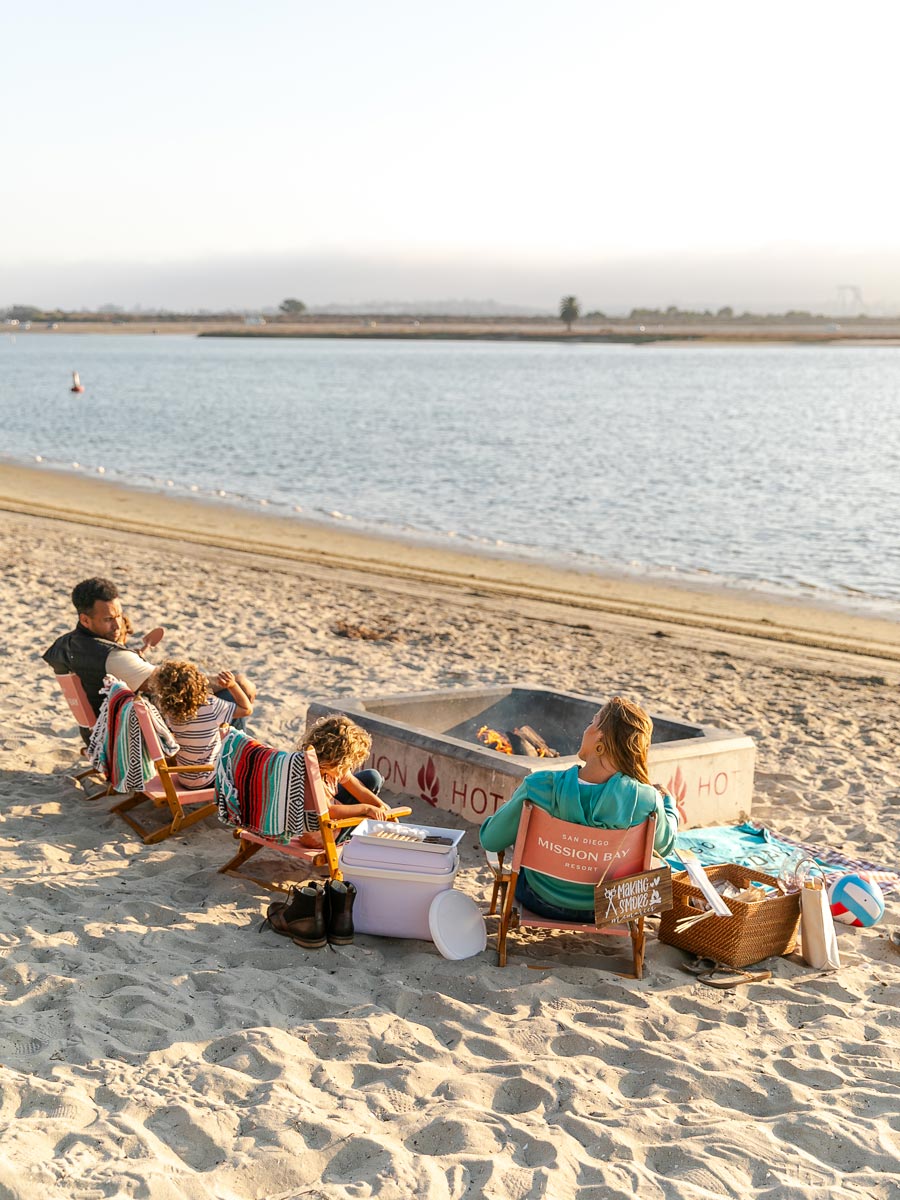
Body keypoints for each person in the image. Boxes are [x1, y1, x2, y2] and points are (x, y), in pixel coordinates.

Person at [479, 695, 679, 921]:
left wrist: (506, 810)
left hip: (539, 899)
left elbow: (490, 840)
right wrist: (669, 805)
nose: (586, 730)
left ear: (601, 738)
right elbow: (665, 846)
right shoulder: (645, 799)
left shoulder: (540, 785)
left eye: (591, 723)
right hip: (607, 906)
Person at [43, 577, 157, 738]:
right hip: (129, 739)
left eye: (119, 616)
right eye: (108, 619)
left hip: (95, 737)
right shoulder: (112, 657)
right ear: (85, 620)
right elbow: (168, 682)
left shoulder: (64, 644)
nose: (118, 626)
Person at [153, 660, 253, 788]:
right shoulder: (211, 705)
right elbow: (247, 709)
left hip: (185, 777)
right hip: (209, 778)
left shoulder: (169, 712)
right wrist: (232, 685)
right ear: (199, 683)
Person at [298, 713, 392, 848]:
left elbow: (356, 787)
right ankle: (350, 838)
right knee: (369, 814)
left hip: (327, 817)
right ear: (336, 759)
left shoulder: (327, 765)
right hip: (324, 835)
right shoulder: (313, 776)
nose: (349, 768)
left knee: (371, 777)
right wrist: (366, 809)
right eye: (348, 764)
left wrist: (381, 806)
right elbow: (328, 812)